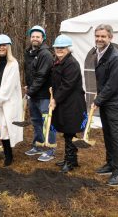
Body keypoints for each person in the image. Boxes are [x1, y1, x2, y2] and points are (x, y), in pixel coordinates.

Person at [92, 24, 118, 187]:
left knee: (116, 136)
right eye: (98, 36)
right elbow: (103, 81)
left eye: (103, 36)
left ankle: (117, 173)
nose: (100, 39)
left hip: (117, 102)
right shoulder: (97, 54)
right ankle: (109, 164)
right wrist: (100, 97)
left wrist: (97, 100)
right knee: (107, 133)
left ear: (110, 38)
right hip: (107, 100)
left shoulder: (116, 58)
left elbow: (113, 84)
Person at [49, 35, 86, 173]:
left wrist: (55, 100)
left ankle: (70, 162)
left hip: (72, 103)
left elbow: (67, 85)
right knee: (67, 131)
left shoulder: (71, 63)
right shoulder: (58, 61)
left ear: (68, 49)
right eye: (57, 47)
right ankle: (70, 159)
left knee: (70, 130)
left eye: (62, 48)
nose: (59, 50)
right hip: (64, 102)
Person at [0, 34, 23, 166]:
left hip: (9, 100)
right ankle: (3, 150)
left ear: (8, 47)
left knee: (6, 126)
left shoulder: (13, 64)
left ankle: (9, 155)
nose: (2, 47)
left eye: (4, 45)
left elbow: (9, 86)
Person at [24, 25, 56, 162]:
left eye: (38, 36)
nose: (35, 39)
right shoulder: (29, 52)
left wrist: (30, 91)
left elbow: (41, 76)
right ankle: (38, 145)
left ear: (43, 38)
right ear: (30, 38)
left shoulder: (45, 54)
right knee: (36, 121)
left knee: (47, 122)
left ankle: (50, 149)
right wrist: (27, 86)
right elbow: (29, 72)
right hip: (33, 94)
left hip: (44, 95)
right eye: (33, 36)